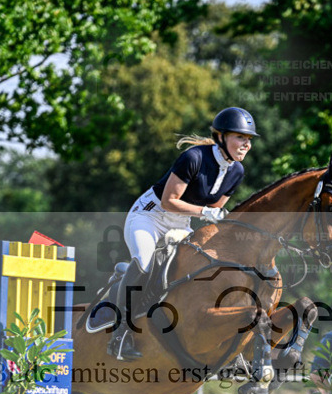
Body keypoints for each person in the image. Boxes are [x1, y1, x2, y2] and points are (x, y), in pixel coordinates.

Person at [107, 107, 259, 361]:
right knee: (145, 263)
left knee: (199, 266)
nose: (246, 144)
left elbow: (214, 211)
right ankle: (120, 333)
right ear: (221, 137)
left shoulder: (237, 172)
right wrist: (206, 212)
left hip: (180, 222)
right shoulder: (194, 157)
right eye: (240, 137)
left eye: (249, 139)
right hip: (148, 216)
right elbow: (169, 201)